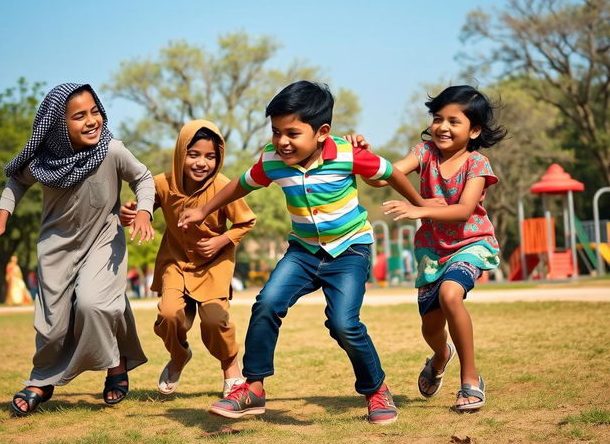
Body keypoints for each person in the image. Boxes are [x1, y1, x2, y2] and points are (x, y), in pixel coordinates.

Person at [179, 81, 430, 425]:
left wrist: (421, 207)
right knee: (266, 303)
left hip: (349, 249)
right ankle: (253, 388)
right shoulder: (271, 160)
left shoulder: (348, 154)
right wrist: (204, 210)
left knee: (344, 323)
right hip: (303, 251)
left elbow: (390, 173)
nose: (282, 141)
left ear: (322, 132)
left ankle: (376, 390)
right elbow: (241, 183)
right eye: (276, 131)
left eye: (293, 133)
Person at [0, 83, 155, 416]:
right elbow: (16, 180)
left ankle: (99, 369)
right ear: (58, 125)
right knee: (52, 324)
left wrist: (144, 210)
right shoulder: (45, 161)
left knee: (93, 303)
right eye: (79, 116)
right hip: (56, 246)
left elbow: (143, 177)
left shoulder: (111, 149)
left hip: (103, 240)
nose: (91, 121)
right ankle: (45, 376)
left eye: (95, 111)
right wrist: (2, 217)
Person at [355, 85, 505, 412]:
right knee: (431, 326)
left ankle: (470, 379)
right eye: (438, 119)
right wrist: (364, 155)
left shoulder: (477, 164)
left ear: (474, 130)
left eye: (454, 121)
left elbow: (464, 210)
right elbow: (382, 178)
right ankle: (440, 356)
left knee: (451, 294)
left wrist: (420, 209)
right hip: (432, 251)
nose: (443, 127)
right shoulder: (424, 154)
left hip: (470, 243)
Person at [120, 120, 255, 398]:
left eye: (210, 156)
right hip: (176, 263)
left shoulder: (223, 186)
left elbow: (245, 222)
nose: (201, 162)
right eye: (193, 154)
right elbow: (145, 206)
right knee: (169, 315)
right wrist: (132, 213)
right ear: (181, 152)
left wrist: (220, 240)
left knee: (216, 320)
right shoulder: (161, 183)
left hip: (214, 264)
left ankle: (231, 367)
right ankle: (179, 356)